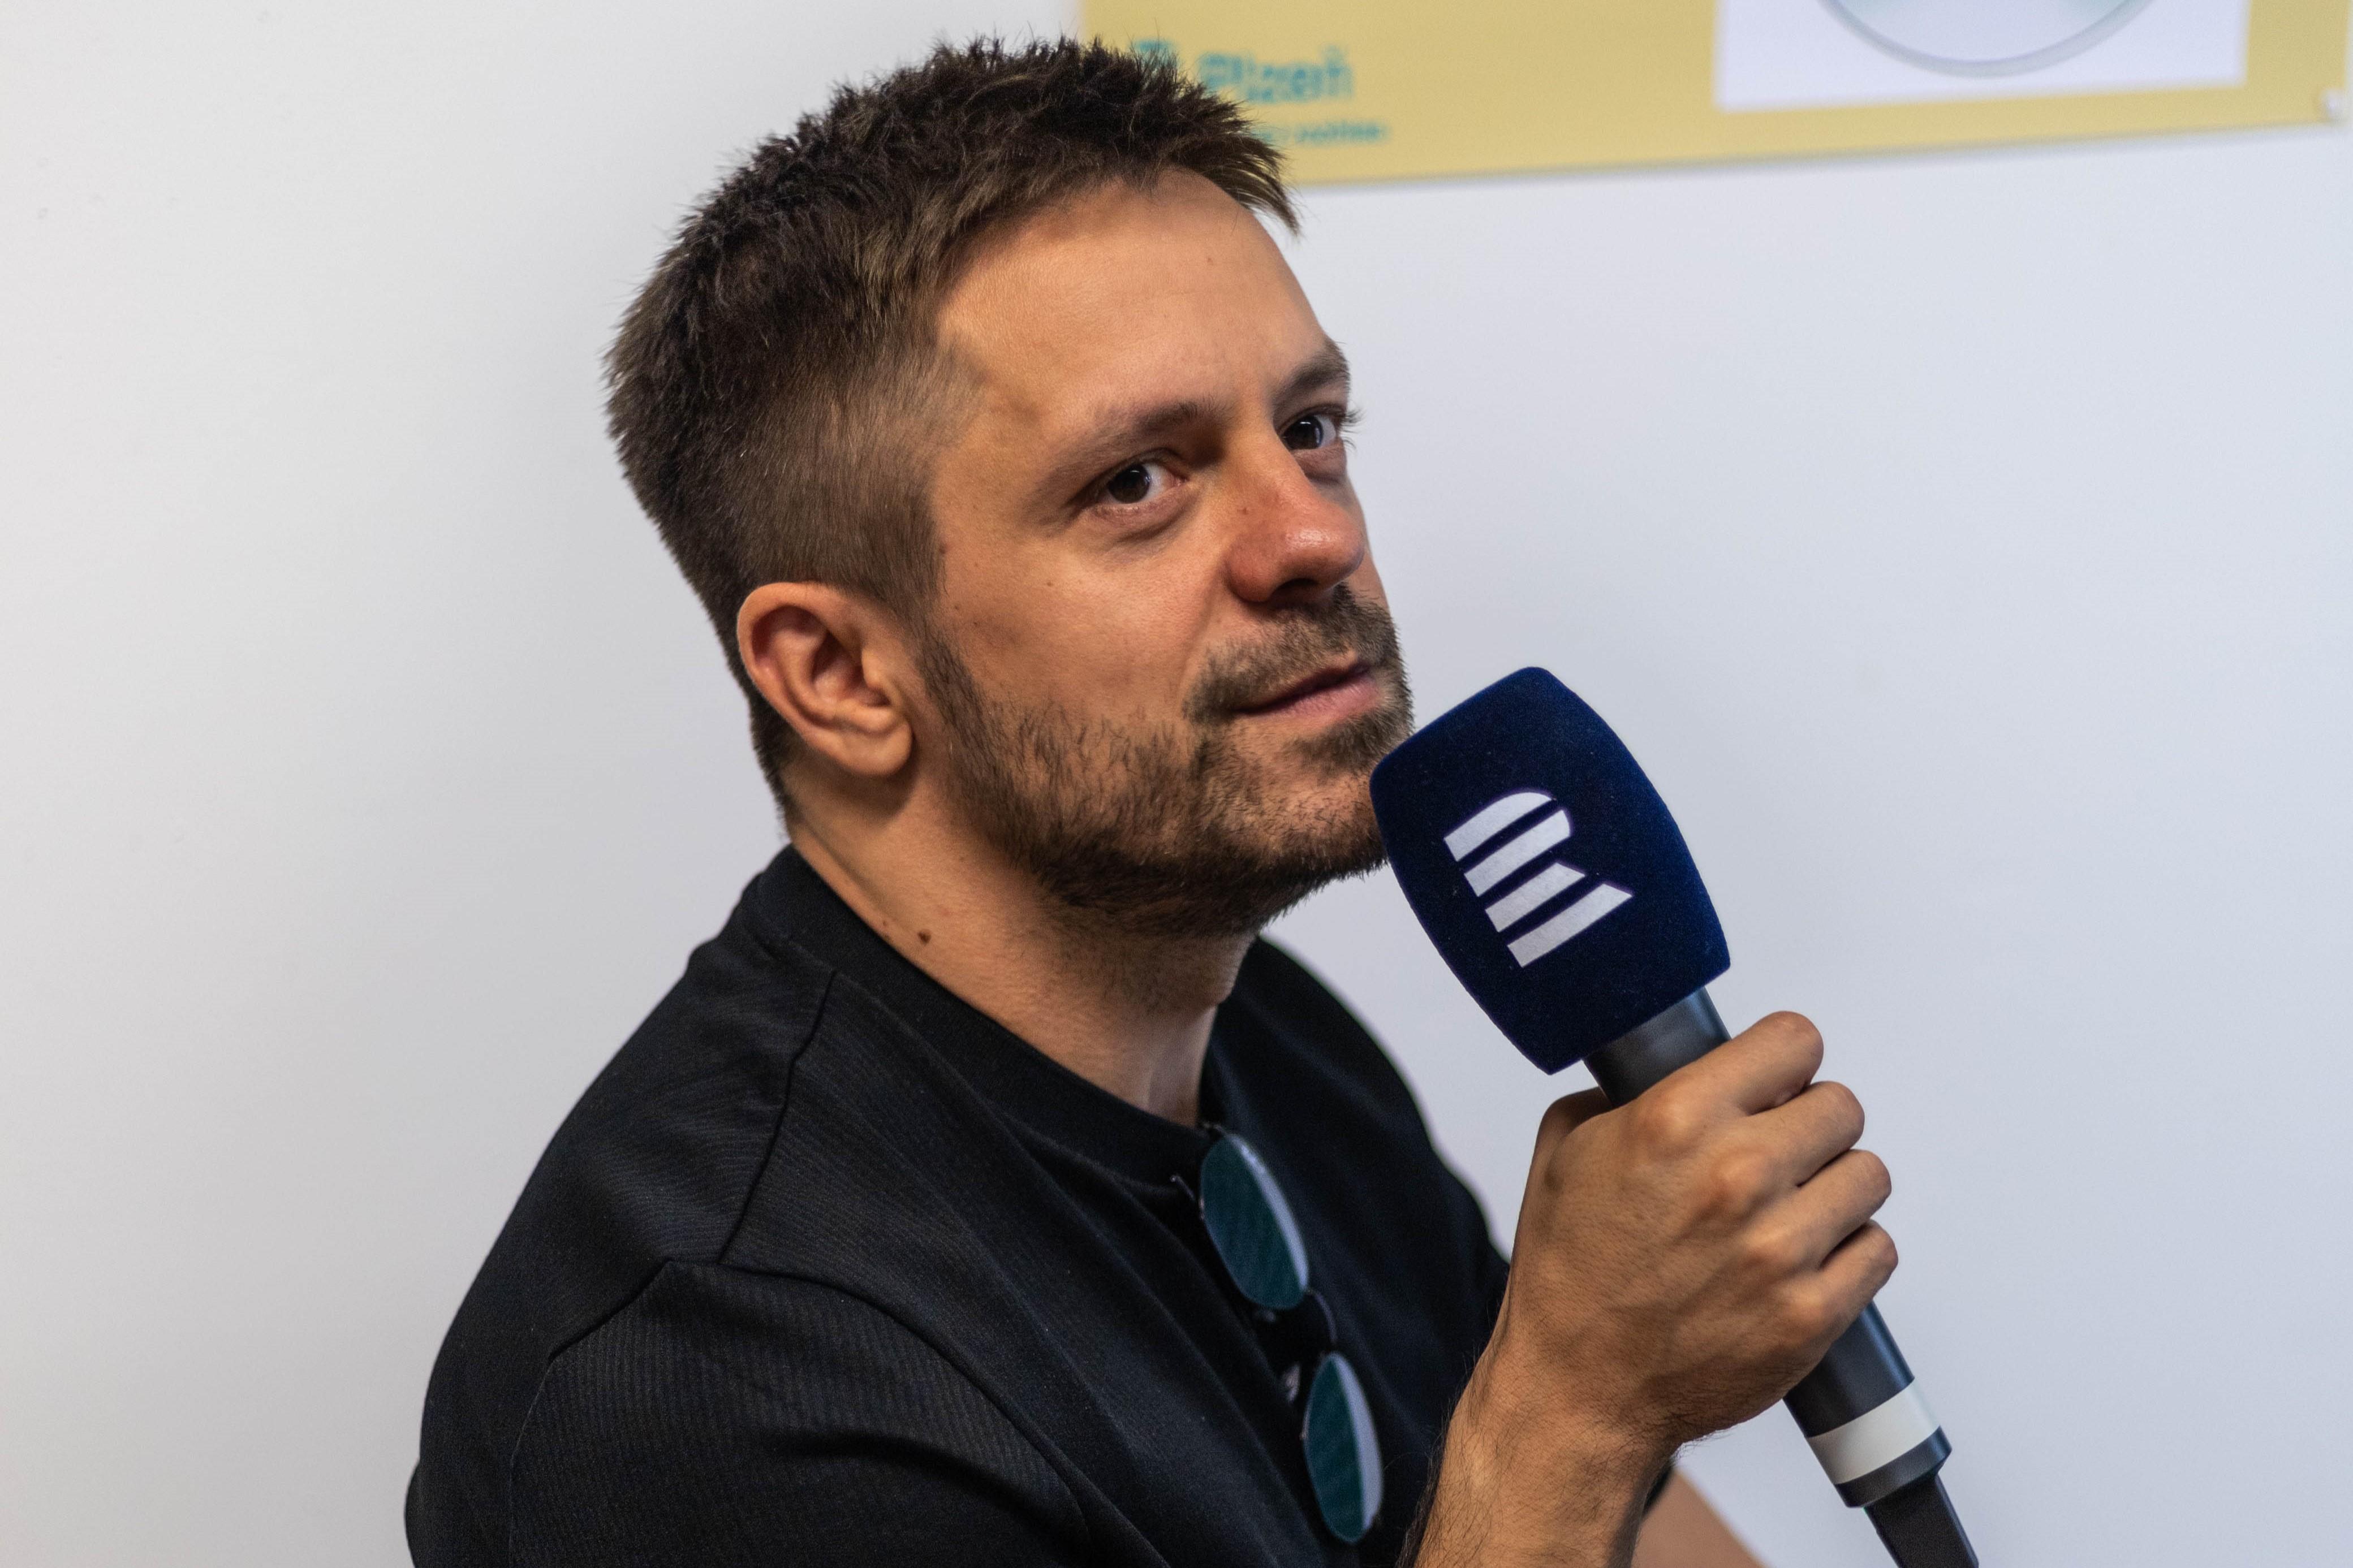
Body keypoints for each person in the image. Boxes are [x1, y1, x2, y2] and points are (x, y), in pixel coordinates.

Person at [407, 38, 1897, 1568]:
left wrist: (1579, 1424)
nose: (1311, 536)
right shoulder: (719, 1385)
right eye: (1137, 481)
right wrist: (1571, 1416)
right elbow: (1560, 1478)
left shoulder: (1267, 1040)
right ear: (840, 673)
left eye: (1310, 429)